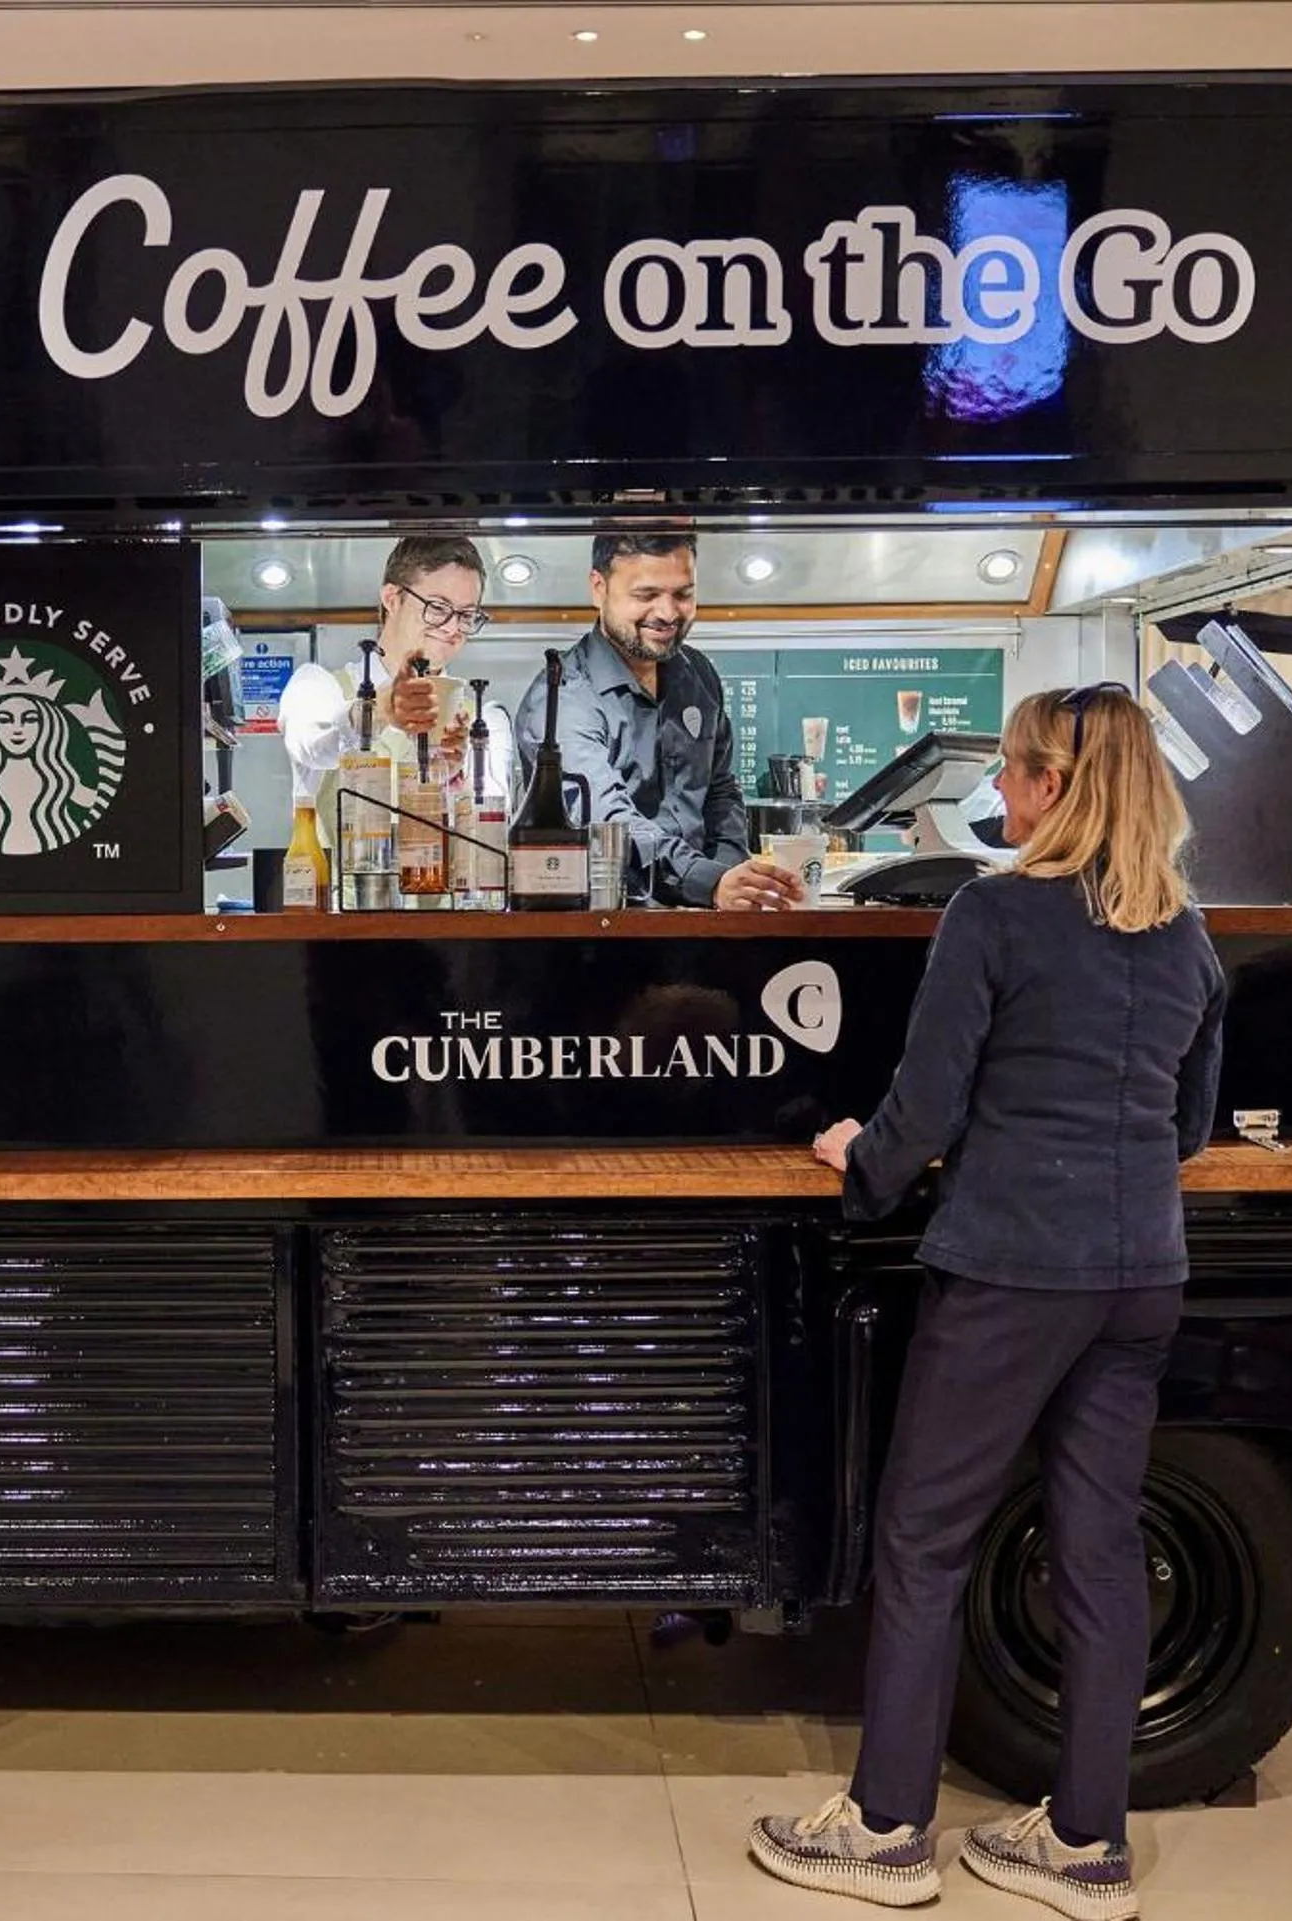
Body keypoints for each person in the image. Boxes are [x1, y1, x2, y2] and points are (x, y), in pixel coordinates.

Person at [748, 684, 1224, 1921]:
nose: (996, 795)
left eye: (1011, 774)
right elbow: (1186, 1126)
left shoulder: (992, 913)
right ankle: (1083, 1845)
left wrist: (855, 1161)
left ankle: (886, 1827)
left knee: (923, 1537)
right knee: (1100, 1548)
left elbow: (927, 1105)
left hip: (1013, 1268)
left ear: (1056, 786)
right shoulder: (1185, 933)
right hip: (1140, 1276)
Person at [512, 532, 804, 910]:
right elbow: (607, 820)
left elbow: (720, 790)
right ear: (598, 588)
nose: (667, 613)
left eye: (683, 594)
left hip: (704, 920)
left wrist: (734, 876)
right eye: (646, 595)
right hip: (608, 929)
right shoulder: (563, 698)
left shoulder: (697, 673)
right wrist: (709, 881)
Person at [280, 536, 514, 843]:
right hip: (333, 890)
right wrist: (378, 711)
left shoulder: (485, 720)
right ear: (392, 599)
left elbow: (492, 833)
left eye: (466, 615)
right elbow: (310, 745)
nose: (452, 627)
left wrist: (453, 782)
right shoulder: (318, 685)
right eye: (437, 607)